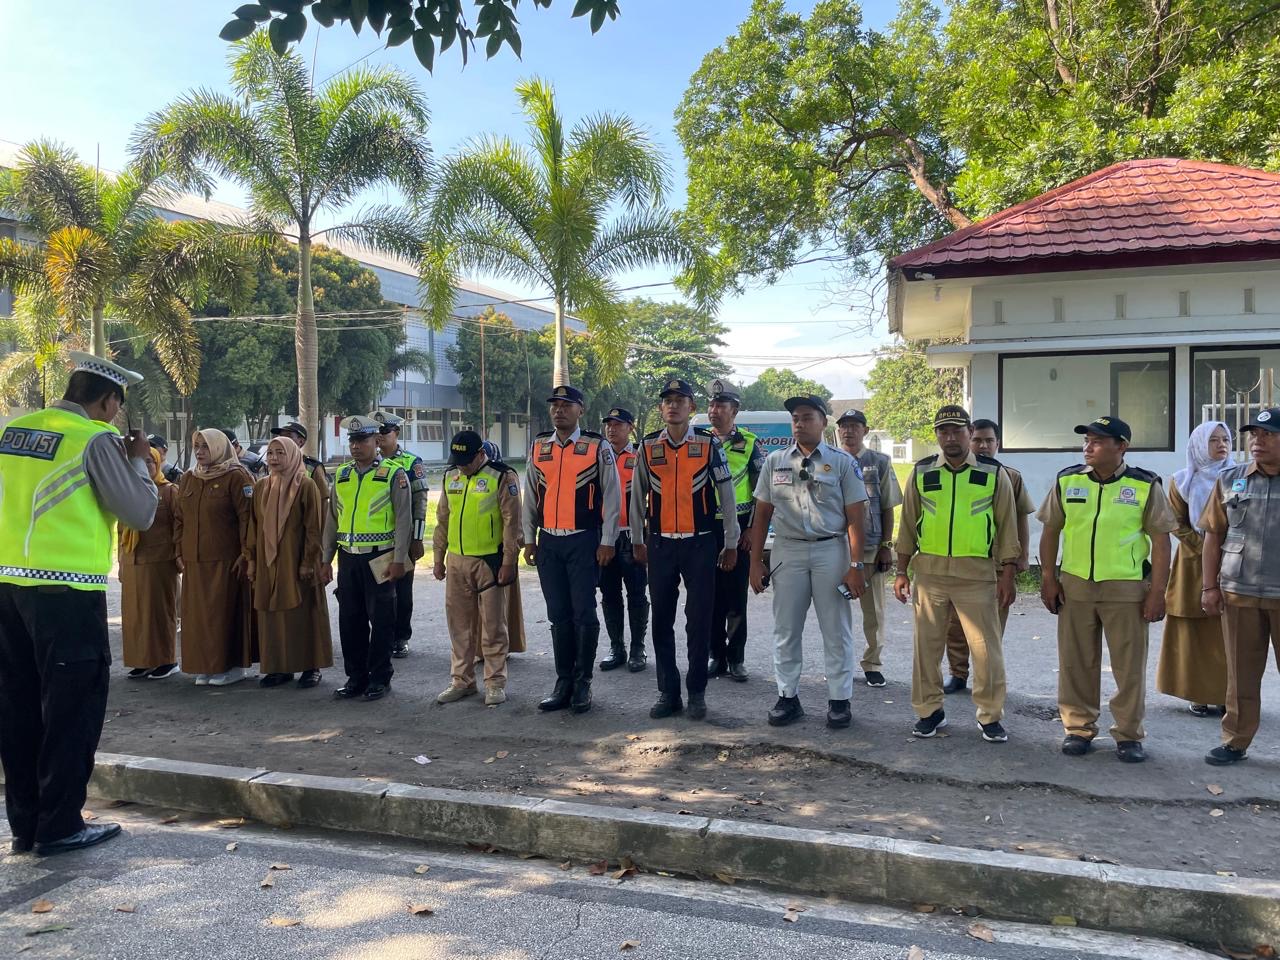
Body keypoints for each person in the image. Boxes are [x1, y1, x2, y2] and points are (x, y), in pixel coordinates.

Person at [0, 351, 157, 855]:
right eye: (115, 406)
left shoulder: (12, 431)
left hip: (7, 589)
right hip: (65, 594)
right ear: (109, 400)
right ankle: (61, 824)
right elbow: (140, 512)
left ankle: (26, 824)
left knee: (19, 709)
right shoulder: (94, 439)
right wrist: (138, 458)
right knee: (72, 711)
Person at [1039, 416, 1174, 763]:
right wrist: (1049, 579)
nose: (1088, 446)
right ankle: (1078, 728)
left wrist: (1158, 592)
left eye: (1097, 441)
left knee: (1128, 667)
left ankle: (1128, 734)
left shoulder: (1145, 485)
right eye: (1086, 440)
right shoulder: (1067, 480)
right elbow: (1051, 531)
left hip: (1126, 587)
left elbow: (1161, 543)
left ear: (1122, 446)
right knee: (1076, 662)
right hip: (1076, 586)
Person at [895, 406, 1019, 744]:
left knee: (986, 650)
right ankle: (929, 711)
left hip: (977, 575)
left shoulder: (993, 474)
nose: (950, 438)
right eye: (943, 432)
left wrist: (1008, 573)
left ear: (968, 432)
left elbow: (1008, 526)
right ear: (936, 435)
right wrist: (901, 570)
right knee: (927, 648)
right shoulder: (922, 472)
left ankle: (990, 715)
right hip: (930, 574)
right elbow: (907, 524)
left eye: (957, 431)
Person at [750, 396, 868, 728]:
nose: (800, 423)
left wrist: (856, 565)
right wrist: (755, 562)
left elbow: (857, 517)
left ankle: (839, 700)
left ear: (823, 422)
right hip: (788, 550)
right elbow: (761, 515)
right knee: (785, 628)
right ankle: (788, 698)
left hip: (831, 549)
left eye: (807, 417)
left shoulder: (842, 462)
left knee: (835, 628)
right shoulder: (775, 462)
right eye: (795, 419)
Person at [631, 378, 739, 721]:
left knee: (698, 621)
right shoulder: (647, 447)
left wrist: (731, 541)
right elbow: (636, 496)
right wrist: (637, 539)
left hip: (701, 543)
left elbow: (727, 493)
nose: (673, 406)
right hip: (661, 544)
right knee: (661, 620)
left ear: (691, 408)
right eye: (667, 401)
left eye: (680, 400)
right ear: (661, 409)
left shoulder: (708, 445)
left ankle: (696, 693)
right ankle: (668, 692)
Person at [523, 385, 619, 713]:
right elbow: (530, 495)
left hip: (583, 540)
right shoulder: (539, 446)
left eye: (566, 405)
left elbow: (612, 494)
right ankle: (563, 681)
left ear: (580, 409)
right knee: (558, 615)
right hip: (549, 541)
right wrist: (529, 538)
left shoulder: (596, 445)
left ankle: (583, 683)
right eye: (555, 405)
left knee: (584, 614)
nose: (558, 410)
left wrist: (608, 540)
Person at [1200, 407, 1280, 765]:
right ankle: (1235, 740)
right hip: (1239, 592)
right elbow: (1213, 536)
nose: (1257, 441)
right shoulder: (1231, 479)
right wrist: (1209, 587)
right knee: (1241, 674)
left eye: (1268, 435)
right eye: (1254, 434)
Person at [941, 419, 1036, 695]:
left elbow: (1020, 518)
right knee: (954, 624)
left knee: (990, 628)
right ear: (969, 440)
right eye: (978, 440)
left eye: (989, 441)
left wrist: (1021, 557)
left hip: (996, 564)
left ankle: (987, 679)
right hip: (960, 563)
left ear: (997, 444)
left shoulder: (1010, 476)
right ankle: (958, 673)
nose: (983, 446)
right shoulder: (954, 473)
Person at [322, 415, 412, 701]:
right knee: (350, 621)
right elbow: (331, 521)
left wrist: (400, 559)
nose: (356, 446)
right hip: (348, 560)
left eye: (362, 440)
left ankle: (380, 678)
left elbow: (403, 520)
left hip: (381, 559)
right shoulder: (342, 475)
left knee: (382, 621)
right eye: (352, 441)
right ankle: (356, 677)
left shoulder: (394, 474)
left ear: (376, 441)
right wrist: (326, 560)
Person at [433, 431, 522, 706]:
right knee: (459, 626)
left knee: (494, 627)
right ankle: (462, 681)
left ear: (481, 454)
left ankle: (495, 682)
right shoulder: (451, 476)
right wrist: (438, 557)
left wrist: (509, 561)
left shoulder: (502, 476)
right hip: (457, 561)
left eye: (467, 460)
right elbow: (442, 520)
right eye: (458, 460)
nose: (462, 465)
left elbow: (512, 523)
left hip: (490, 561)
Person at [1157, 421, 1233, 716]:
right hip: (1192, 563)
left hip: (1233, 562)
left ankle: (1229, 695)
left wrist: (1227, 550)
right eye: (1213, 440)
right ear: (1199, 445)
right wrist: (1207, 548)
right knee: (1193, 628)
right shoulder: (1181, 481)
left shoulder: (1239, 477)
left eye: (1225, 439)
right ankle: (1197, 694)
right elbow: (1175, 522)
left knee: (1229, 630)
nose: (1221, 445)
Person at [246, 436, 333, 689]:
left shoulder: (305, 485)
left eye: (280, 453)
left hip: (297, 562)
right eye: (270, 453)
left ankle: (310, 667)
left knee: (304, 614)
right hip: (268, 563)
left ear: (293, 455)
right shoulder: (262, 487)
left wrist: (308, 561)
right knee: (272, 613)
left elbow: (313, 527)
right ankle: (278, 667)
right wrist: (251, 559)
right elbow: (253, 527)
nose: (273, 458)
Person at [174, 428, 254, 686]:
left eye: (205, 447)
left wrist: (246, 553)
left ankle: (230, 667)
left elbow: (248, 518)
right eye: (196, 446)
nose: (199, 452)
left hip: (226, 559)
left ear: (220, 447)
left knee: (222, 614)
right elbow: (179, 518)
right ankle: (206, 666)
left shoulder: (237, 476)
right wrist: (178, 550)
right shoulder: (189, 478)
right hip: (194, 560)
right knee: (198, 617)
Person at [835, 408, 902, 687]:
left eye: (854, 426)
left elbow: (887, 506)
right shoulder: (829, 461)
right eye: (844, 426)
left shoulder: (879, 462)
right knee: (836, 611)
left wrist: (887, 546)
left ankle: (872, 663)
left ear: (865, 430)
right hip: (836, 548)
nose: (848, 431)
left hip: (872, 548)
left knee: (874, 612)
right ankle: (839, 663)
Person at [706, 380, 766, 682]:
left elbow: (762, 490)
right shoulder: (699, 441)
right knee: (708, 595)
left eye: (721, 406)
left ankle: (736, 658)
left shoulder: (751, 444)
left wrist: (753, 528)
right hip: (706, 528)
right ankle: (715, 655)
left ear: (735, 410)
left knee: (735, 596)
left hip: (740, 527)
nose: (714, 411)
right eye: (712, 405)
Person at [597, 407, 650, 673]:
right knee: (608, 593)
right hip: (605, 537)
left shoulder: (640, 455)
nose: (611, 429)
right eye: (608, 424)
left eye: (618, 425)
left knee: (637, 593)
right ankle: (616, 647)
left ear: (630, 427)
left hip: (632, 535)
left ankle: (638, 648)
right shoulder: (599, 455)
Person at [373, 412, 429, 659]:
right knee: (377, 591)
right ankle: (380, 636)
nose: (380, 438)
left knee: (402, 591)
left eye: (385, 433)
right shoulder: (369, 462)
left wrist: (416, 539)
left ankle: (400, 637)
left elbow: (420, 502)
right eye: (376, 433)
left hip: (403, 540)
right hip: (376, 540)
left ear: (397, 434)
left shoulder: (410, 462)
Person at [120, 447, 180, 680]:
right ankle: (142, 661)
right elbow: (121, 528)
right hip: (132, 558)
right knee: (135, 614)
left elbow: (178, 524)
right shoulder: (127, 492)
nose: (145, 467)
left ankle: (166, 660)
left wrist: (178, 554)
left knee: (159, 612)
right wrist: (121, 561)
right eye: (139, 462)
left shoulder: (167, 491)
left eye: (149, 462)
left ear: (158, 464)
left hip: (160, 559)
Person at [270, 420, 330, 511]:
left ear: (301, 441)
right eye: (281, 436)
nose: (283, 440)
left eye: (288, 436)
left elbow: (323, 500)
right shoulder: (273, 465)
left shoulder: (313, 467)